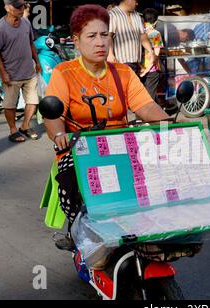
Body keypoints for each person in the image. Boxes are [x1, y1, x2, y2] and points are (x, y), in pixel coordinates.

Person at [44, 4, 169, 250]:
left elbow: (146, 107)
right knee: (71, 184)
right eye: (91, 36)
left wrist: (173, 126)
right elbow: (52, 115)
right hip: (79, 150)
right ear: (76, 41)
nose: (100, 42)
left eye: (105, 35)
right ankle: (77, 231)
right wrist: (59, 135)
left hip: (121, 146)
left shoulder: (123, 73)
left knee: (160, 180)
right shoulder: (63, 73)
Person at [0, 0, 40, 143]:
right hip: (11, 74)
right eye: (17, 6)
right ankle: (13, 130)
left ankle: (25, 126)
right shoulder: (0, 28)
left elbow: (31, 43)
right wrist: (3, 73)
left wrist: (37, 62)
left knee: (33, 101)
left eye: (23, 6)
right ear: (7, 8)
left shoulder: (26, 23)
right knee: (10, 104)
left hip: (29, 72)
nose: (22, 9)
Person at [107, 0, 158, 75]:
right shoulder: (113, 14)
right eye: (136, 1)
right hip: (120, 62)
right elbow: (108, 36)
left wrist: (151, 51)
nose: (137, 3)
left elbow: (142, 35)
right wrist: (110, 54)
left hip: (136, 63)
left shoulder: (137, 15)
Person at [140, 8, 164, 101]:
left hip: (140, 68)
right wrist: (147, 70)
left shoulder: (139, 32)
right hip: (152, 69)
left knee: (144, 97)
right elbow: (156, 54)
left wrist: (142, 69)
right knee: (150, 98)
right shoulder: (155, 34)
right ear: (156, 21)